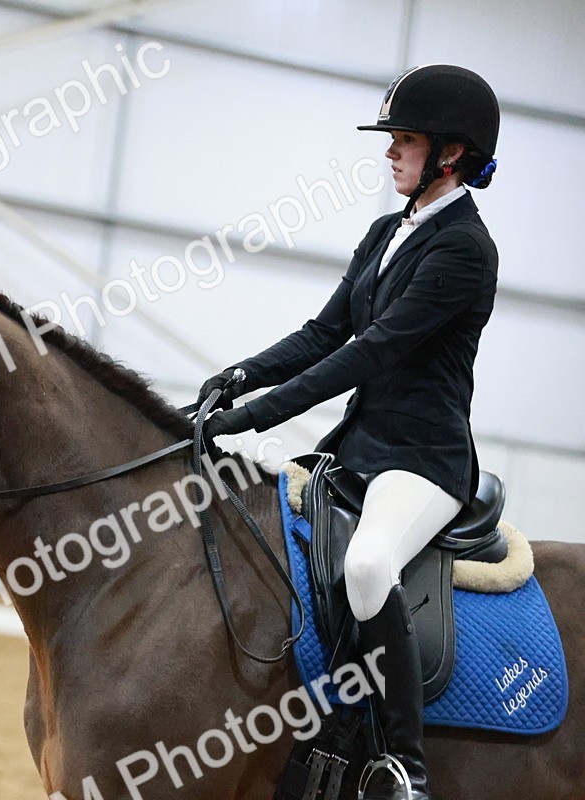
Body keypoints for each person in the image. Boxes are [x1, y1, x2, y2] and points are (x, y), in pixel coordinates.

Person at [198, 64, 501, 800]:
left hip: (422, 459)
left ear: (450, 154)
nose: (390, 152)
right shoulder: (385, 232)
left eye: (405, 140)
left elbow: (372, 352)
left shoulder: (465, 249)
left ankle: (405, 767)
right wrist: (239, 376)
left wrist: (254, 419)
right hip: (359, 448)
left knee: (367, 566)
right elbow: (324, 332)